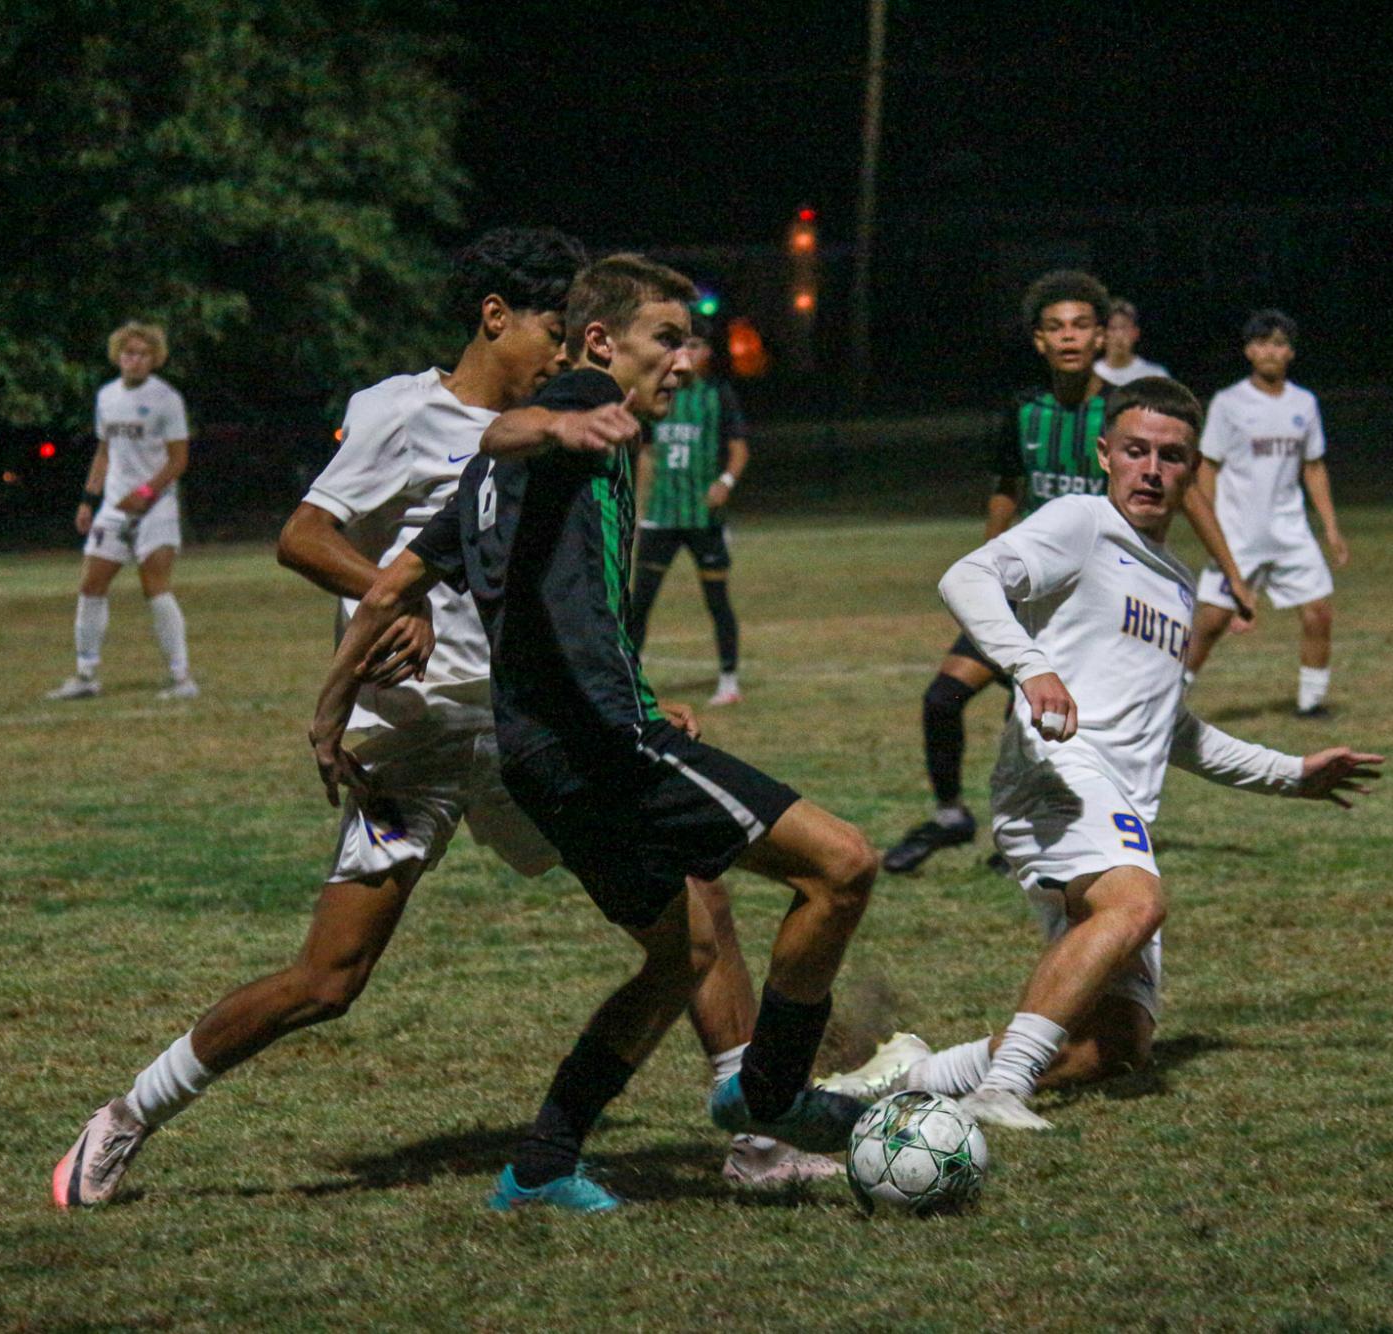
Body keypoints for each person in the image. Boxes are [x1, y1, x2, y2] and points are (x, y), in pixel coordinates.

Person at [50, 231, 831, 1213]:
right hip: (410, 740)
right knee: (329, 979)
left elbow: (562, 592)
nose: (560, 353)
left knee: (695, 893)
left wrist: (627, 698)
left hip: (521, 736)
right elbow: (302, 534)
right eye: (549, 329)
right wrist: (396, 597)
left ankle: (755, 1138)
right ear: (495, 316)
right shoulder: (400, 410)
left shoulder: (563, 421)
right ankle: (126, 1114)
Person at [386, 253, 876, 1211]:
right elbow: (508, 423)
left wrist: (328, 716)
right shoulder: (571, 408)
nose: (684, 359)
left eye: (688, 340)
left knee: (679, 954)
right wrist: (562, 417)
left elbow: (394, 581)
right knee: (843, 866)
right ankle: (771, 1095)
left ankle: (542, 1162)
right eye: (666, 338)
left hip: (541, 754)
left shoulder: (507, 478)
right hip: (601, 746)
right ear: (600, 341)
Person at [823, 377, 1383, 1129]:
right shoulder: (1082, 522)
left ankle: (907, 1076)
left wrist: (1291, 774)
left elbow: (1171, 728)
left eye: (1171, 457)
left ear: (1192, 475)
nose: (1150, 470)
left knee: (1115, 1046)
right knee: (1137, 903)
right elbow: (967, 575)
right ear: (1105, 456)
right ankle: (1001, 1088)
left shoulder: (1177, 586)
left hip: (1115, 805)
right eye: (1135, 451)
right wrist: (1031, 666)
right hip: (1056, 777)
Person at [882, 271, 1255, 874]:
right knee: (942, 698)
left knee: (1036, 720)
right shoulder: (1023, 413)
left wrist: (1231, 573)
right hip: (1028, 587)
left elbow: (1186, 495)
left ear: (1104, 335)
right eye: (1055, 328)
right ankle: (951, 815)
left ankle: (1030, 834)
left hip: (1086, 598)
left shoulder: (1125, 413)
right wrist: (992, 572)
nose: (1069, 338)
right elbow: (1006, 492)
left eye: (1082, 325)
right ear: (1038, 342)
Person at [1184, 310, 1351, 718]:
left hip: (1289, 530)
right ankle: (1166, 699)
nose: (1270, 351)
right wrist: (1213, 525)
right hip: (1239, 532)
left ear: (1290, 352)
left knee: (1318, 612)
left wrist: (1330, 527)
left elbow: (1313, 466)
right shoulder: (1229, 403)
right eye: (1262, 343)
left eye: (1278, 343)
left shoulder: (1304, 403)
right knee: (1211, 623)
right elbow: (1208, 464)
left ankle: (1310, 704)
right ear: (1248, 351)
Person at [46, 322, 197, 701]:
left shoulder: (166, 399)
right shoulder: (107, 397)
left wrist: (146, 492)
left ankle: (182, 678)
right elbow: (104, 451)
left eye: (143, 354)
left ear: (154, 359)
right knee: (91, 585)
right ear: (118, 356)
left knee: (155, 586)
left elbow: (179, 459)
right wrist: (88, 499)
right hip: (114, 507)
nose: (135, 360)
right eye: (129, 353)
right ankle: (85, 675)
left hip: (156, 506)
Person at [629, 318, 749, 706]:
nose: (688, 354)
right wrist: (638, 509)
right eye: (682, 346)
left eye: (696, 346)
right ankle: (628, 676)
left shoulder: (718, 395)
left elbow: (739, 448)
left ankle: (728, 681)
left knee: (717, 600)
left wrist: (725, 483)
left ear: (707, 353)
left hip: (702, 517)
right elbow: (645, 454)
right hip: (661, 517)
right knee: (640, 600)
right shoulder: (658, 394)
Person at [1092, 298, 1168, 388]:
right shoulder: (1092, 375)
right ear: (1102, 334)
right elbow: (1092, 402)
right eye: (1112, 328)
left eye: (1124, 328)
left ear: (1136, 333)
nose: (1119, 335)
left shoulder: (1155, 377)